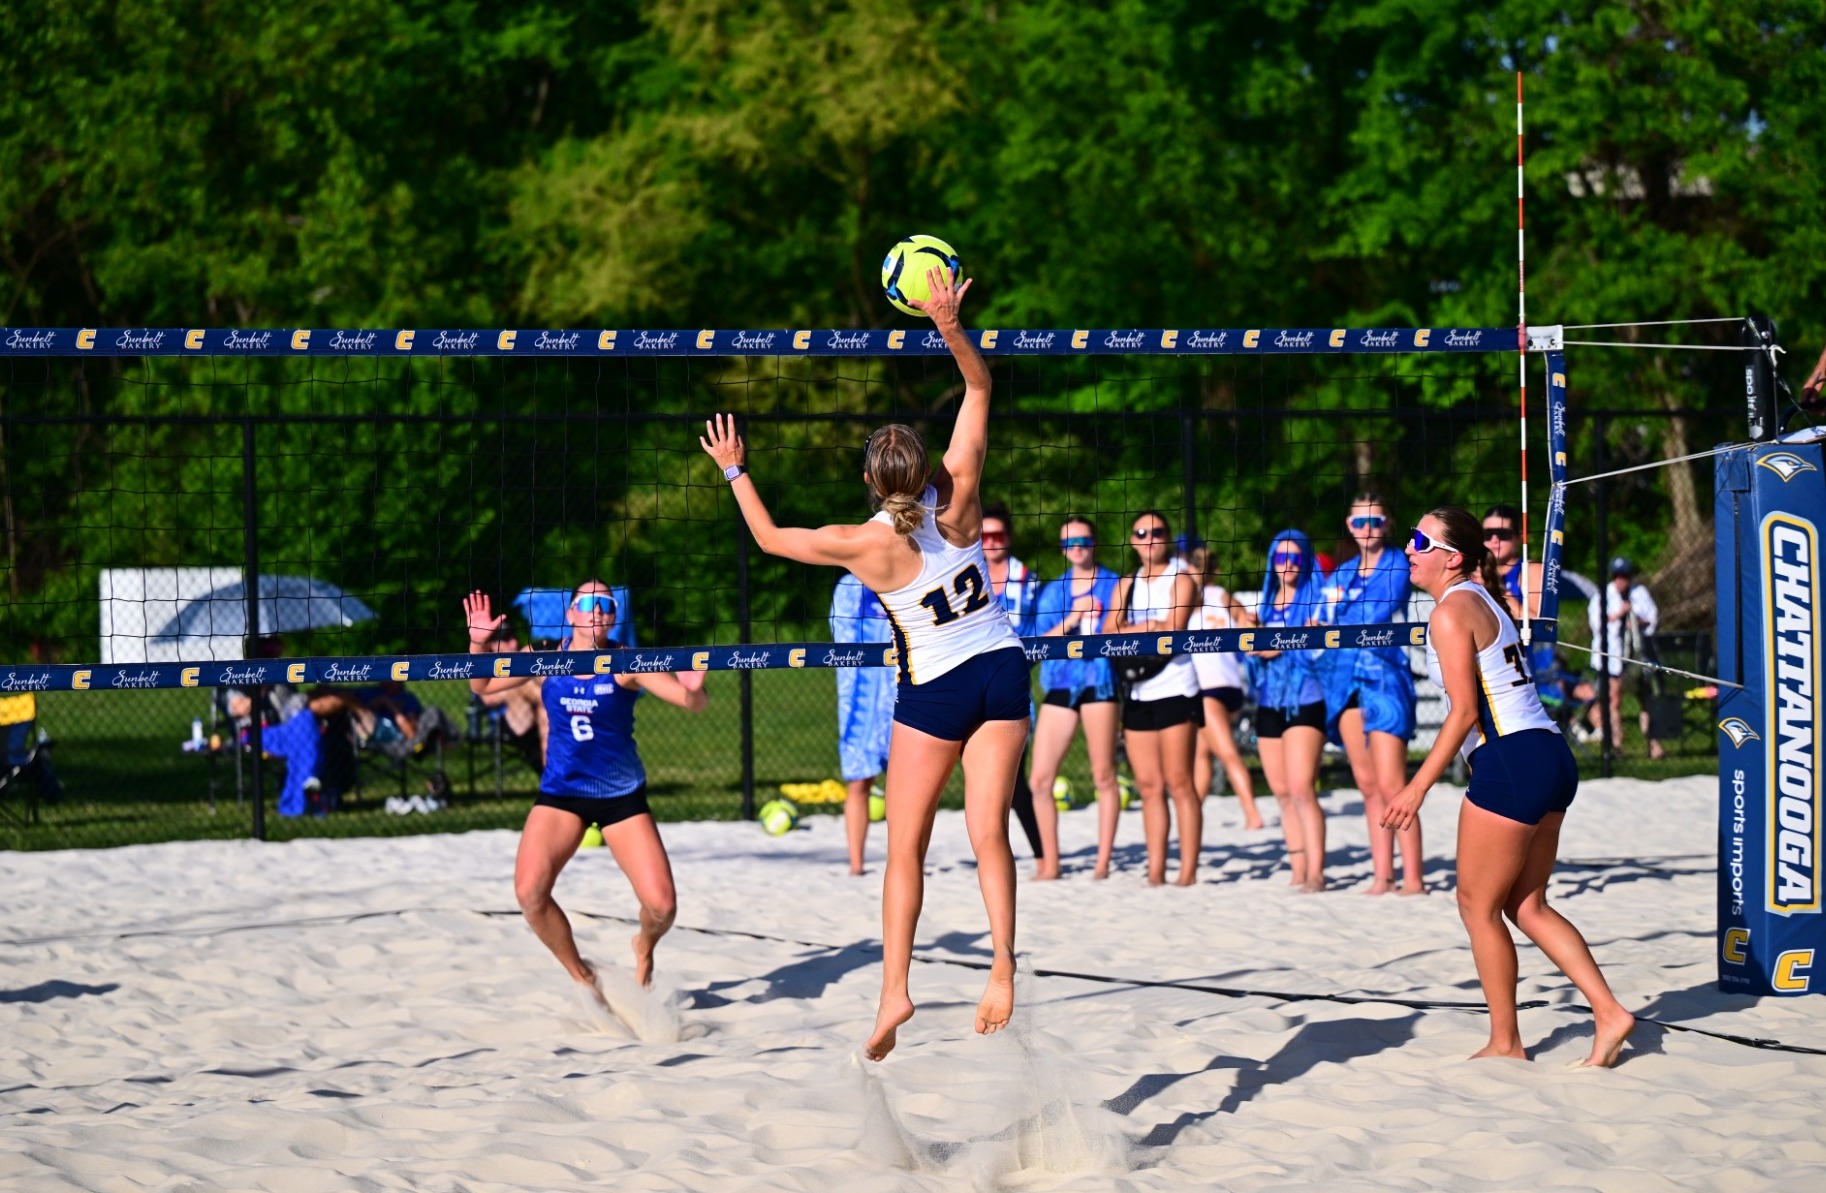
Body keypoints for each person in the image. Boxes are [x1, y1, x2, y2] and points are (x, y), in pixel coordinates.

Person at [697, 265, 1026, 1061]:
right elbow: (979, 391)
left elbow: (772, 539)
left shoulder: (865, 544)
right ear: (929, 468)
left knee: (904, 848)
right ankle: (1005, 964)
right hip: (1002, 666)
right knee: (989, 833)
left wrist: (736, 469)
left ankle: (894, 991)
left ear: (872, 482)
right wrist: (947, 325)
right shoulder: (965, 496)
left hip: (938, 687)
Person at [1382, 508, 1635, 1066]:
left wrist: (1416, 786)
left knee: (1477, 906)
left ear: (1452, 557)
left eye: (1420, 539)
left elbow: (1463, 712)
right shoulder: (1487, 599)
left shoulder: (1451, 611)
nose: (1408, 547)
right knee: (1528, 905)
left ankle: (1506, 1044)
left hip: (1513, 759)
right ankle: (1610, 1013)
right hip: (1550, 752)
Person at [463, 580, 708, 1011]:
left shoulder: (627, 662)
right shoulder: (545, 659)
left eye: (607, 604)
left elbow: (691, 705)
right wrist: (478, 644)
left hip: (620, 797)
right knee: (529, 892)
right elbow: (482, 687)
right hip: (563, 794)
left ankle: (644, 946)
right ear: (571, 614)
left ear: (614, 618)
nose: (598, 609)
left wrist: (693, 690)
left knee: (662, 907)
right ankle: (584, 976)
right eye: (588, 602)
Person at [1320, 494, 1421, 895]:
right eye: (1360, 523)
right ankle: (1383, 875)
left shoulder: (1398, 562)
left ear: (1387, 524)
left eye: (1375, 522)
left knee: (1393, 785)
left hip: (1384, 679)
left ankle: (1413, 878)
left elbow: (1376, 611)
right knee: (1367, 785)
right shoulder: (1341, 572)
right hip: (1344, 682)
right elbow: (1321, 618)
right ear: (1349, 526)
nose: (1367, 530)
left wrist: (1334, 613)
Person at [1108, 510, 1203, 886]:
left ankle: (1188, 871)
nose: (1149, 538)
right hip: (1139, 688)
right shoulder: (1127, 583)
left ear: (1167, 537)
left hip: (1177, 685)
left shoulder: (1181, 577)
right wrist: (1152, 624)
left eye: (1157, 532)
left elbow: (1175, 627)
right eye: (1141, 532)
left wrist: (1136, 626)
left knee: (1180, 781)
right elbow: (1107, 630)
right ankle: (1156, 869)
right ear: (1133, 540)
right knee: (1148, 786)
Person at [1027, 516, 1124, 878]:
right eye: (1069, 542)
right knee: (1040, 780)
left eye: (1083, 540)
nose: (1077, 547)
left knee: (1104, 775)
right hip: (1063, 683)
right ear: (1062, 549)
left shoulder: (1115, 584)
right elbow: (1041, 642)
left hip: (1100, 683)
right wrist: (1073, 618)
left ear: (1095, 542)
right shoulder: (1055, 590)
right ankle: (1051, 864)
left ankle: (1102, 863)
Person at [1248, 530, 1329, 892]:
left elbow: (1321, 652)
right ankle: (1297, 869)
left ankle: (1316, 872)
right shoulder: (1265, 605)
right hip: (1269, 700)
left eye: (1296, 558)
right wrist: (1250, 646)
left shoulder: (1315, 599)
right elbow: (1252, 658)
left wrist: (1279, 646)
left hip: (1306, 699)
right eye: (1281, 558)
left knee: (1301, 789)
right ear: (1271, 562)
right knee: (1281, 792)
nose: (1288, 565)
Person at [979, 500, 1046, 871]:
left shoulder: (1028, 581)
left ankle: (1041, 855)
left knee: (1014, 781)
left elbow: (1035, 640)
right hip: (965, 683)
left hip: (1012, 688)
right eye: (983, 535)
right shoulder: (967, 575)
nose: (990, 541)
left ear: (1009, 537)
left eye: (997, 534)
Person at [1184, 543, 1264, 832]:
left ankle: (1252, 813)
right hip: (1231, 686)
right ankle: (1194, 810)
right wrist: (1251, 623)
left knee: (1227, 753)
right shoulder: (1222, 596)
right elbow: (1246, 622)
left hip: (1208, 688)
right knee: (1202, 753)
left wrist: (1250, 623)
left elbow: (1247, 623)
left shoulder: (1190, 599)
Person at [830, 572, 896, 876]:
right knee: (858, 782)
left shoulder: (909, 572)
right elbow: (842, 641)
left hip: (905, 689)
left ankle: (906, 860)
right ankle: (856, 866)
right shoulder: (850, 587)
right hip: (861, 696)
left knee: (907, 787)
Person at [1586, 557, 1661, 757]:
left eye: (1625, 576)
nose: (1621, 580)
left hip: (1636, 657)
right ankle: (1617, 744)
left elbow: (1653, 618)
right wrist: (1620, 614)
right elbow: (1596, 624)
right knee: (1614, 700)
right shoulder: (1603, 596)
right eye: (1617, 576)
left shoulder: (1640, 593)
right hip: (1612, 658)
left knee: (1646, 699)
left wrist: (1636, 621)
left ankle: (1654, 745)